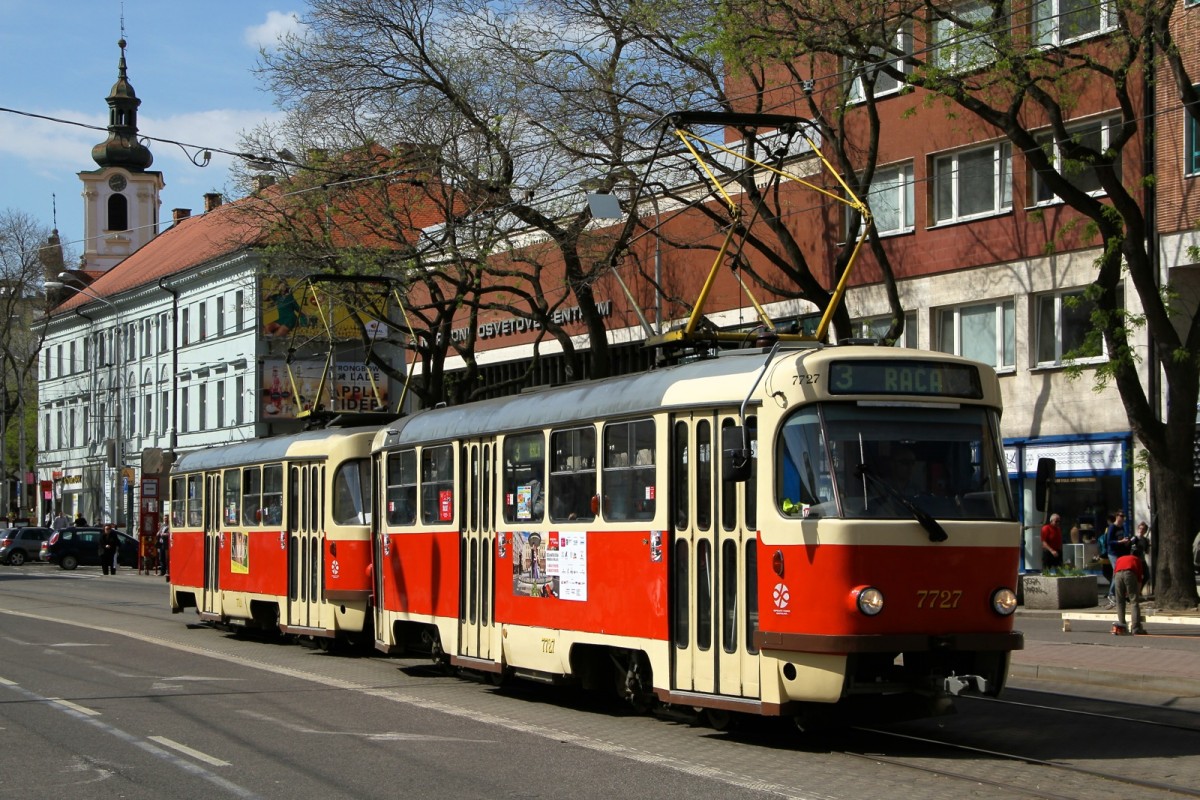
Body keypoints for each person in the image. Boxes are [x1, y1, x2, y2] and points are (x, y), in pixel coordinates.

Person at [1111, 549, 1146, 635]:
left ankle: (1122, 627)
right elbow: (1139, 580)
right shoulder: (1137, 560)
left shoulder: (1120, 558)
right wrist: (1137, 592)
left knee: (1120, 601)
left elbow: (1114, 573)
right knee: (1134, 602)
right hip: (1129, 574)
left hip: (1117, 575)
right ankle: (1135, 628)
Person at [1103, 510, 1130, 607]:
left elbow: (1124, 537)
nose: (1122, 518)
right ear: (1116, 516)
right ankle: (1111, 594)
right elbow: (1109, 541)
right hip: (1113, 553)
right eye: (1121, 516)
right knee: (1117, 572)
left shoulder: (1122, 527)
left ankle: (1120, 593)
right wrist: (1120, 542)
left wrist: (1126, 541)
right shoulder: (1112, 527)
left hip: (1121, 553)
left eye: (1124, 516)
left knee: (1120, 572)